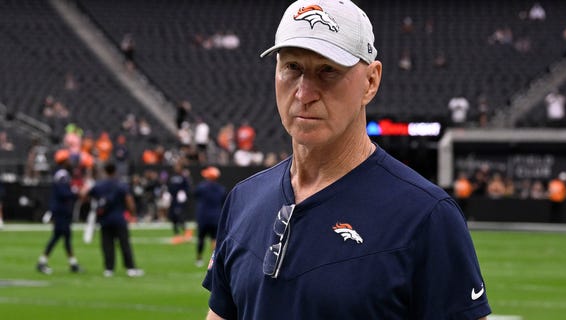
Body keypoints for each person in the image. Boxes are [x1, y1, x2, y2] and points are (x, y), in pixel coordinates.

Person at [202, 1, 491, 319]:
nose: (304, 92)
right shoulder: (243, 199)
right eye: (292, 67)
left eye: (327, 70)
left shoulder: (427, 216)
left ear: (371, 81)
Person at [83, 163, 143, 277]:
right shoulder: (120, 185)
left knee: (107, 244)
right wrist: (133, 214)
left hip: (105, 219)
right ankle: (130, 268)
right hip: (119, 218)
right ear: (115, 171)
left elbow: (85, 196)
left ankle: (109, 268)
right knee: (124, 243)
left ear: (105, 171)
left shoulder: (99, 185)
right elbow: (129, 200)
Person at [36, 155, 82, 274]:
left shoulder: (61, 174)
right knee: (59, 237)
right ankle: (42, 262)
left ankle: (73, 263)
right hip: (61, 211)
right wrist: (75, 193)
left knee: (65, 237)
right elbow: (63, 193)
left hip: (62, 211)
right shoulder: (62, 175)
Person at [194, 167, 226, 267]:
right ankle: (214, 260)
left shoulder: (202, 187)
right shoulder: (221, 189)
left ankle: (199, 258)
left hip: (203, 217)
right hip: (216, 217)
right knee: (214, 239)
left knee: (201, 238)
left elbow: (195, 194)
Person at [167, 162, 191, 242]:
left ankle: (186, 231)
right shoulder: (171, 177)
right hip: (173, 199)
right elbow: (168, 186)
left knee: (179, 215)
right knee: (173, 216)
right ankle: (176, 234)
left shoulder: (183, 177)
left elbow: (187, 187)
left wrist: (183, 193)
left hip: (179, 199)